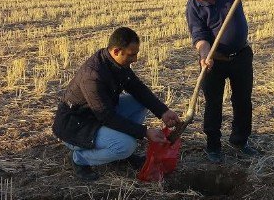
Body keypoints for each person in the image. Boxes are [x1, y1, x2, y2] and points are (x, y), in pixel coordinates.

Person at [52, 27, 181, 181]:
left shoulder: (116, 64)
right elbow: (106, 116)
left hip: (97, 115)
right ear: (116, 51)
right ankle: (80, 158)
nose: (136, 59)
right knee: (126, 146)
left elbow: (137, 88)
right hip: (77, 126)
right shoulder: (93, 76)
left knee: (138, 102)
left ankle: (119, 154)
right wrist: (144, 132)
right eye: (132, 54)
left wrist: (163, 111)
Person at [181, 0, 266, 163]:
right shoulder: (193, 6)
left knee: (242, 101)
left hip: (241, 56)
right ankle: (213, 146)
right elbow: (199, 36)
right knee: (213, 103)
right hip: (213, 61)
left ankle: (240, 141)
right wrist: (204, 54)